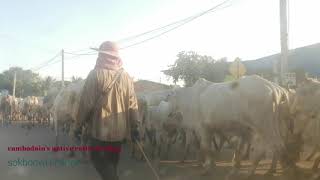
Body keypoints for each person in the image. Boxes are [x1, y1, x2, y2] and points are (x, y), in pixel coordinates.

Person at [75, 41, 139, 180]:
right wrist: (135, 127)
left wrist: (78, 125)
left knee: (98, 161)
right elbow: (132, 104)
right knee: (112, 163)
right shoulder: (126, 77)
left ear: (101, 55)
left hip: (100, 131)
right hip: (119, 133)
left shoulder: (95, 74)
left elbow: (86, 104)